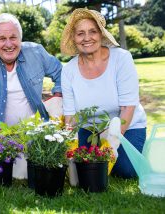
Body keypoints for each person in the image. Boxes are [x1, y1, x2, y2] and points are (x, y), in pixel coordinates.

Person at [0, 13, 62, 178]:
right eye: (2, 38)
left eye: (13, 37)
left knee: (30, 171)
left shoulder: (36, 52)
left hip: (34, 133)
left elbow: (61, 72)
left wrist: (57, 94)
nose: (8, 44)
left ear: (20, 37)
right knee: (10, 172)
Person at [60, 8, 147, 179]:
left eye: (92, 31)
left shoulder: (121, 59)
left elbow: (128, 107)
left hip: (127, 125)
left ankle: (138, 147)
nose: (87, 38)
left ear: (101, 34)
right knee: (80, 166)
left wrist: (110, 145)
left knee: (125, 171)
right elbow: (70, 116)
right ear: (74, 39)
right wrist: (69, 145)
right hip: (90, 128)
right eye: (80, 33)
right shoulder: (68, 70)